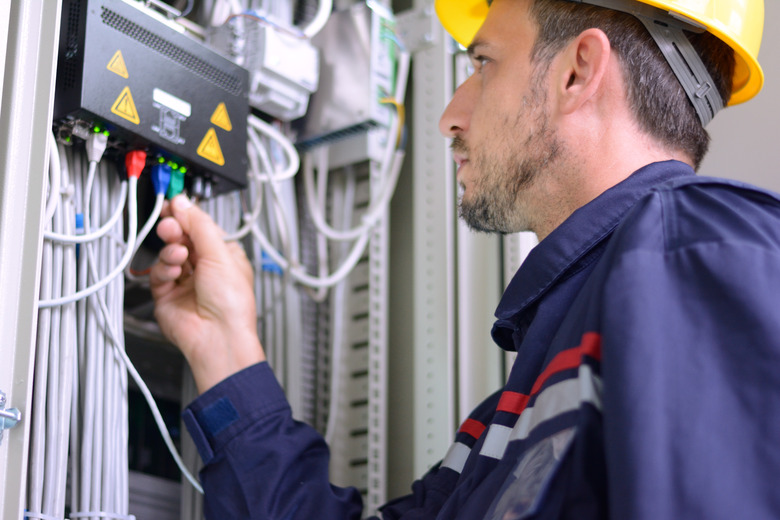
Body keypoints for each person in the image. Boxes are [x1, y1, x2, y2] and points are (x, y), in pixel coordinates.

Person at [151, 0, 780, 518]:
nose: (451, 116)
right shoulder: (511, 414)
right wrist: (225, 347)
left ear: (578, 70)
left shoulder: (705, 244)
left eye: (483, 63)